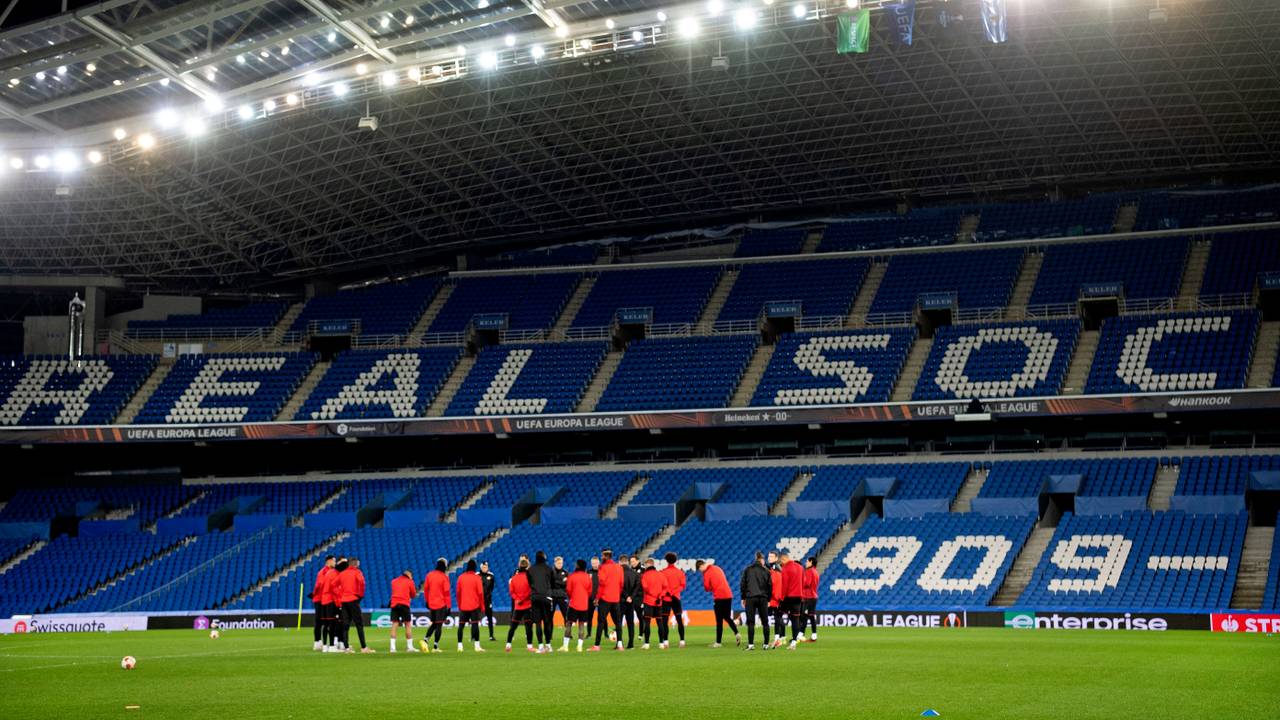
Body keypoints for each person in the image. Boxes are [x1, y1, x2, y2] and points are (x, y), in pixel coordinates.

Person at [697, 559, 739, 647]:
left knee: (719, 620)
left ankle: (718, 642)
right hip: (728, 595)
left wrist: (711, 586)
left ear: (701, 566)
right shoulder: (717, 568)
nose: (700, 571)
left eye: (699, 569)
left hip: (719, 597)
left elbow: (706, 588)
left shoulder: (706, 573)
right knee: (727, 617)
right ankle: (736, 633)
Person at [589, 549, 624, 651]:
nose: (601, 557)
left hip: (605, 598)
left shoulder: (603, 567)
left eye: (602, 556)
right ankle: (620, 645)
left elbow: (602, 584)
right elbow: (621, 584)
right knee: (618, 622)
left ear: (605, 556)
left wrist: (597, 598)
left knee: (600, 622)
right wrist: (617, 594)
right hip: (616, 598)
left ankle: (596, 645)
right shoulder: (619, 567)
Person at [338, 557, 374, 654]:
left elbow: (335, 584)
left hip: (344, 601)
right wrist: (360, 596)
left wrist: (342, 594)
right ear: (356, 564)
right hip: (353, 600)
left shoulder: (342, 573)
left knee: (345, 624)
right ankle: (363, 647)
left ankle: (346, 648)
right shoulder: (357, 572)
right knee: (359, 624)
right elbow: (362, 583)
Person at [740, 551, 773, 651]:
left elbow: (743, 584)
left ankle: (750, 645)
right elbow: (770, 586)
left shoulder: (747, 569)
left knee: (750, 622)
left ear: (755, 558)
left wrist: (743, 598)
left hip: (750, 598)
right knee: (765, 622)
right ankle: (766, 644)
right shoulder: (766, 571)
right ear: (762, 559)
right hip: (763, 598)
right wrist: (769, 599)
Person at [455, 560, 487, 652]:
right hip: (474, 605)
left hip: (463, 605)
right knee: (475, 624)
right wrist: (482, 606)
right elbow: (480, 593)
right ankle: (477, 646)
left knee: (461, 626)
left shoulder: (461, 577)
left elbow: (458, 593)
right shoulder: (477, 578)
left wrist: (459, 604)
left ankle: (460, 646)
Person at [506, 558, 536, 653]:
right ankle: (529, 646)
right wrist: (523, 599)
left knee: (513, 626)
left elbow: (511, 592)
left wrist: (517, 599)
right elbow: (531, 591)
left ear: (519, 566)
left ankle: (508, 644)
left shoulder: (514, 578)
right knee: (528, 626)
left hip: (518, 606)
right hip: (527, 605)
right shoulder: (530, 577)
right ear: (527, 566)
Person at [527, 551, 555, 653]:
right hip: (546, 597)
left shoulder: (530, 570)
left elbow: (530, 583)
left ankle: (540, 646)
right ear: (544, 557)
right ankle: (548, 645)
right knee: (547, 622)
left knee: (538, 623)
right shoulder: (549, 568)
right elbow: (552, 582)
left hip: (535, 597)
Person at [565, 559, 594, 652]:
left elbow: (568, 590)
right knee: (581, 625)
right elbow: (590, 591)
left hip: (573, 603)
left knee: (569, 623)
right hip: (584, 604)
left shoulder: (572, 576)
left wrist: (572, 597)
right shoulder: (587, 577)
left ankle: (565, 646)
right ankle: (579, 646)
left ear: (577, 566)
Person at [660, 552, 687, 648]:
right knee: (679, 620)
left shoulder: (662, 572)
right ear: (675, 561)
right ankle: (682, 641)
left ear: (666, 561)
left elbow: (662, 586)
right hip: (676, 598)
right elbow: (682, 586)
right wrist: (673, 592)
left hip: (666, 599)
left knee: (664, 621)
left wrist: (668, 592)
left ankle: (666, 641)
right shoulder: (680, 572)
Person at [423, 558, 451, 653]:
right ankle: (435, 647)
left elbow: (426, 590)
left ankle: (425, 640)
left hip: (432, 604)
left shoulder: (429, 575)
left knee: (434, 623)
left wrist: (427, 601)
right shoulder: (444, 577)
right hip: (441, 604)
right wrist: (449, 606)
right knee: (439, 625)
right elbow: (446, 593)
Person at [639, 557, 668, 650]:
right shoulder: (661, 575)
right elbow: (665, 588)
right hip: (658, 602)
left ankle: (647, 643)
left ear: (648, 565)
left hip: (648, 601)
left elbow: (645, 588)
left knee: (647, 623)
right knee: (660, 623)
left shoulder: (645, 575)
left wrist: (653, 595)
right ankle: (661, 643)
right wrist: (659, 597)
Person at [779, 551, 805, 650]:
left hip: (789, 597)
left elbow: (784, 585)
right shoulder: (800, 567)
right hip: (798, 597)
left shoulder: (785, 568)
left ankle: (780, 637)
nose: (781, 564)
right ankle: (794, 642)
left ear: (784, 559)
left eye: (781, 561)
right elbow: (803, 582)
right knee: (795, 619)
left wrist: (781, 599)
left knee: (778, 614)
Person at [388, 570, 419, 653]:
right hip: (404, 604)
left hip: (394, 604)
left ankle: (392, 648)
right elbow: (413, 594)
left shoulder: (394, 581)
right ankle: (410, 647)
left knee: (395, 624)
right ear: (409, 575)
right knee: (407, 624)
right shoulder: (410, 581)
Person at [313, 555, 336, 652]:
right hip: (320, 599)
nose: (335, 563)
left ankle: (326, 642)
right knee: (319, 621)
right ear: (329, 561)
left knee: (326, 621)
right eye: (334, 561)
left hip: (324, 599)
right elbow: (320, 585)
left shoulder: (330, 572)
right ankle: (317, 642)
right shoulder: (323, 572)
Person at [323, 557, 346, 652]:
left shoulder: (331, 572)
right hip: (331, 601)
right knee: (333, 623)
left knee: (330, 623)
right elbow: (334, 589)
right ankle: (332, 646)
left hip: (326, 600)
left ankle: (328, 645)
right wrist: (339, 604)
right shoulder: (335, 575)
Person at [619, 554, 640, 649]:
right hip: (631, 601)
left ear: (620, 562)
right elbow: (637, 587)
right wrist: (631, 597)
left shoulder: (618, 573)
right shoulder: (635, 573)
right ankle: (631, 643)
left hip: (620, 601)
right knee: (630, 623)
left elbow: (619, 587)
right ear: (627, 562)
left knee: (619, 622)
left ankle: (619, 643)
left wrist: (626, 596)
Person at [551, 556, 571, 651]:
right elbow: (551, 584)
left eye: (561, 563)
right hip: (553, 596)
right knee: (549, 616)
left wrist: (557, 583)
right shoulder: (551, 572)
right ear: (555, 563)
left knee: (567, 617)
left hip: (563, 597)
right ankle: (549, 634)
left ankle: (568, 634)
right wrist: (561, 582)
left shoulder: (566, 572)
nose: (560, 565)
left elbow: (567, 584)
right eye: (558, 563)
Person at [768, 552, 787, 648]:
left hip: (777, 597)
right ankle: (782, 637)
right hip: (777, 597)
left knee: (777, 618)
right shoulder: (773, 568)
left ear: (776, 558)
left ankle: (777, 639)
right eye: (769, 556)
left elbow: (776, 585)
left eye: (771, 556)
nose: (769, 558)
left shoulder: (776, 569)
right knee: (778, 618)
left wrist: (777, 597)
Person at [802, 557, 820, 643]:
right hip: (813, 596)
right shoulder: (815, 571)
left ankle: (800, 635)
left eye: (807, 561)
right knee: (811, 616)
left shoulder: (809, 571)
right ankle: (814, 636)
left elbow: (807, 583)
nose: (805, 563)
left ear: (811, 562)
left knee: (805, 616)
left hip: (808, 597)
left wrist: (800, 582)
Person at [479, 561, 496, 641]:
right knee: (475, 618)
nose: (485, 568)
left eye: (486, 567)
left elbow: (492, 588)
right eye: (483, 567)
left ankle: (491, 636)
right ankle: (473, 636)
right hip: (478, 600)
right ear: (480, 567)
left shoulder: (491, 576)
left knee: (489, 618)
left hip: (488, 600)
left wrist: (487, 595)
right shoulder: (477, 575)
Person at [585, 556, 600, 638]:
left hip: (600, 598)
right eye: (593, 563)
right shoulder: (588, 572)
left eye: (596, 563)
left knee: (602, 617)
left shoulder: (602, 571)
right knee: (589, 617)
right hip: (590, 598)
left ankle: (605, 634)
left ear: (599, 563)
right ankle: (589, 634)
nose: (594, 565)